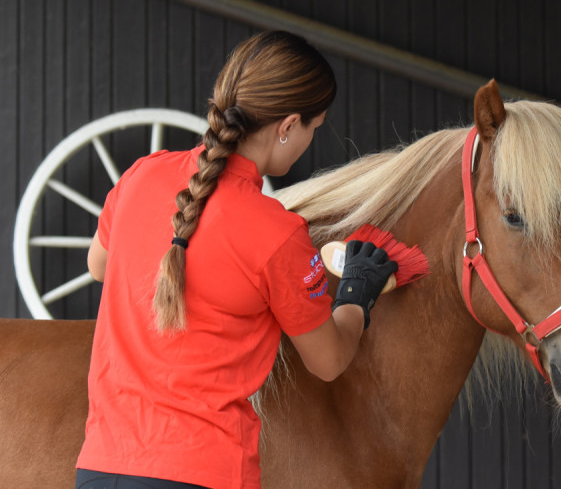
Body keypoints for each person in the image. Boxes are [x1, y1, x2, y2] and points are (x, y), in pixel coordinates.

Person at [74, 31, 397, 489]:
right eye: (314, 128)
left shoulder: (141, 175)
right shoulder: (276, 233)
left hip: (100, 467)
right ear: (288, 125)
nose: (309, 140)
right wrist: (356, 296)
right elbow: (328, 361)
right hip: (201, 473)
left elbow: (98, 266)